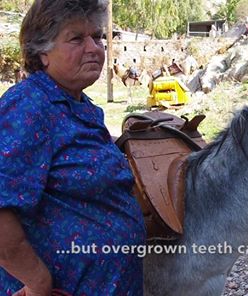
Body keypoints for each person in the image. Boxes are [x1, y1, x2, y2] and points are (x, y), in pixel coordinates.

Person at [0, 0, 145, 295]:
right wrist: (38, 281)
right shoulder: (28, 107)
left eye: (98, 37)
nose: (94, 48)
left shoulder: (80, 105)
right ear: (42, 53)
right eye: (77, 38)